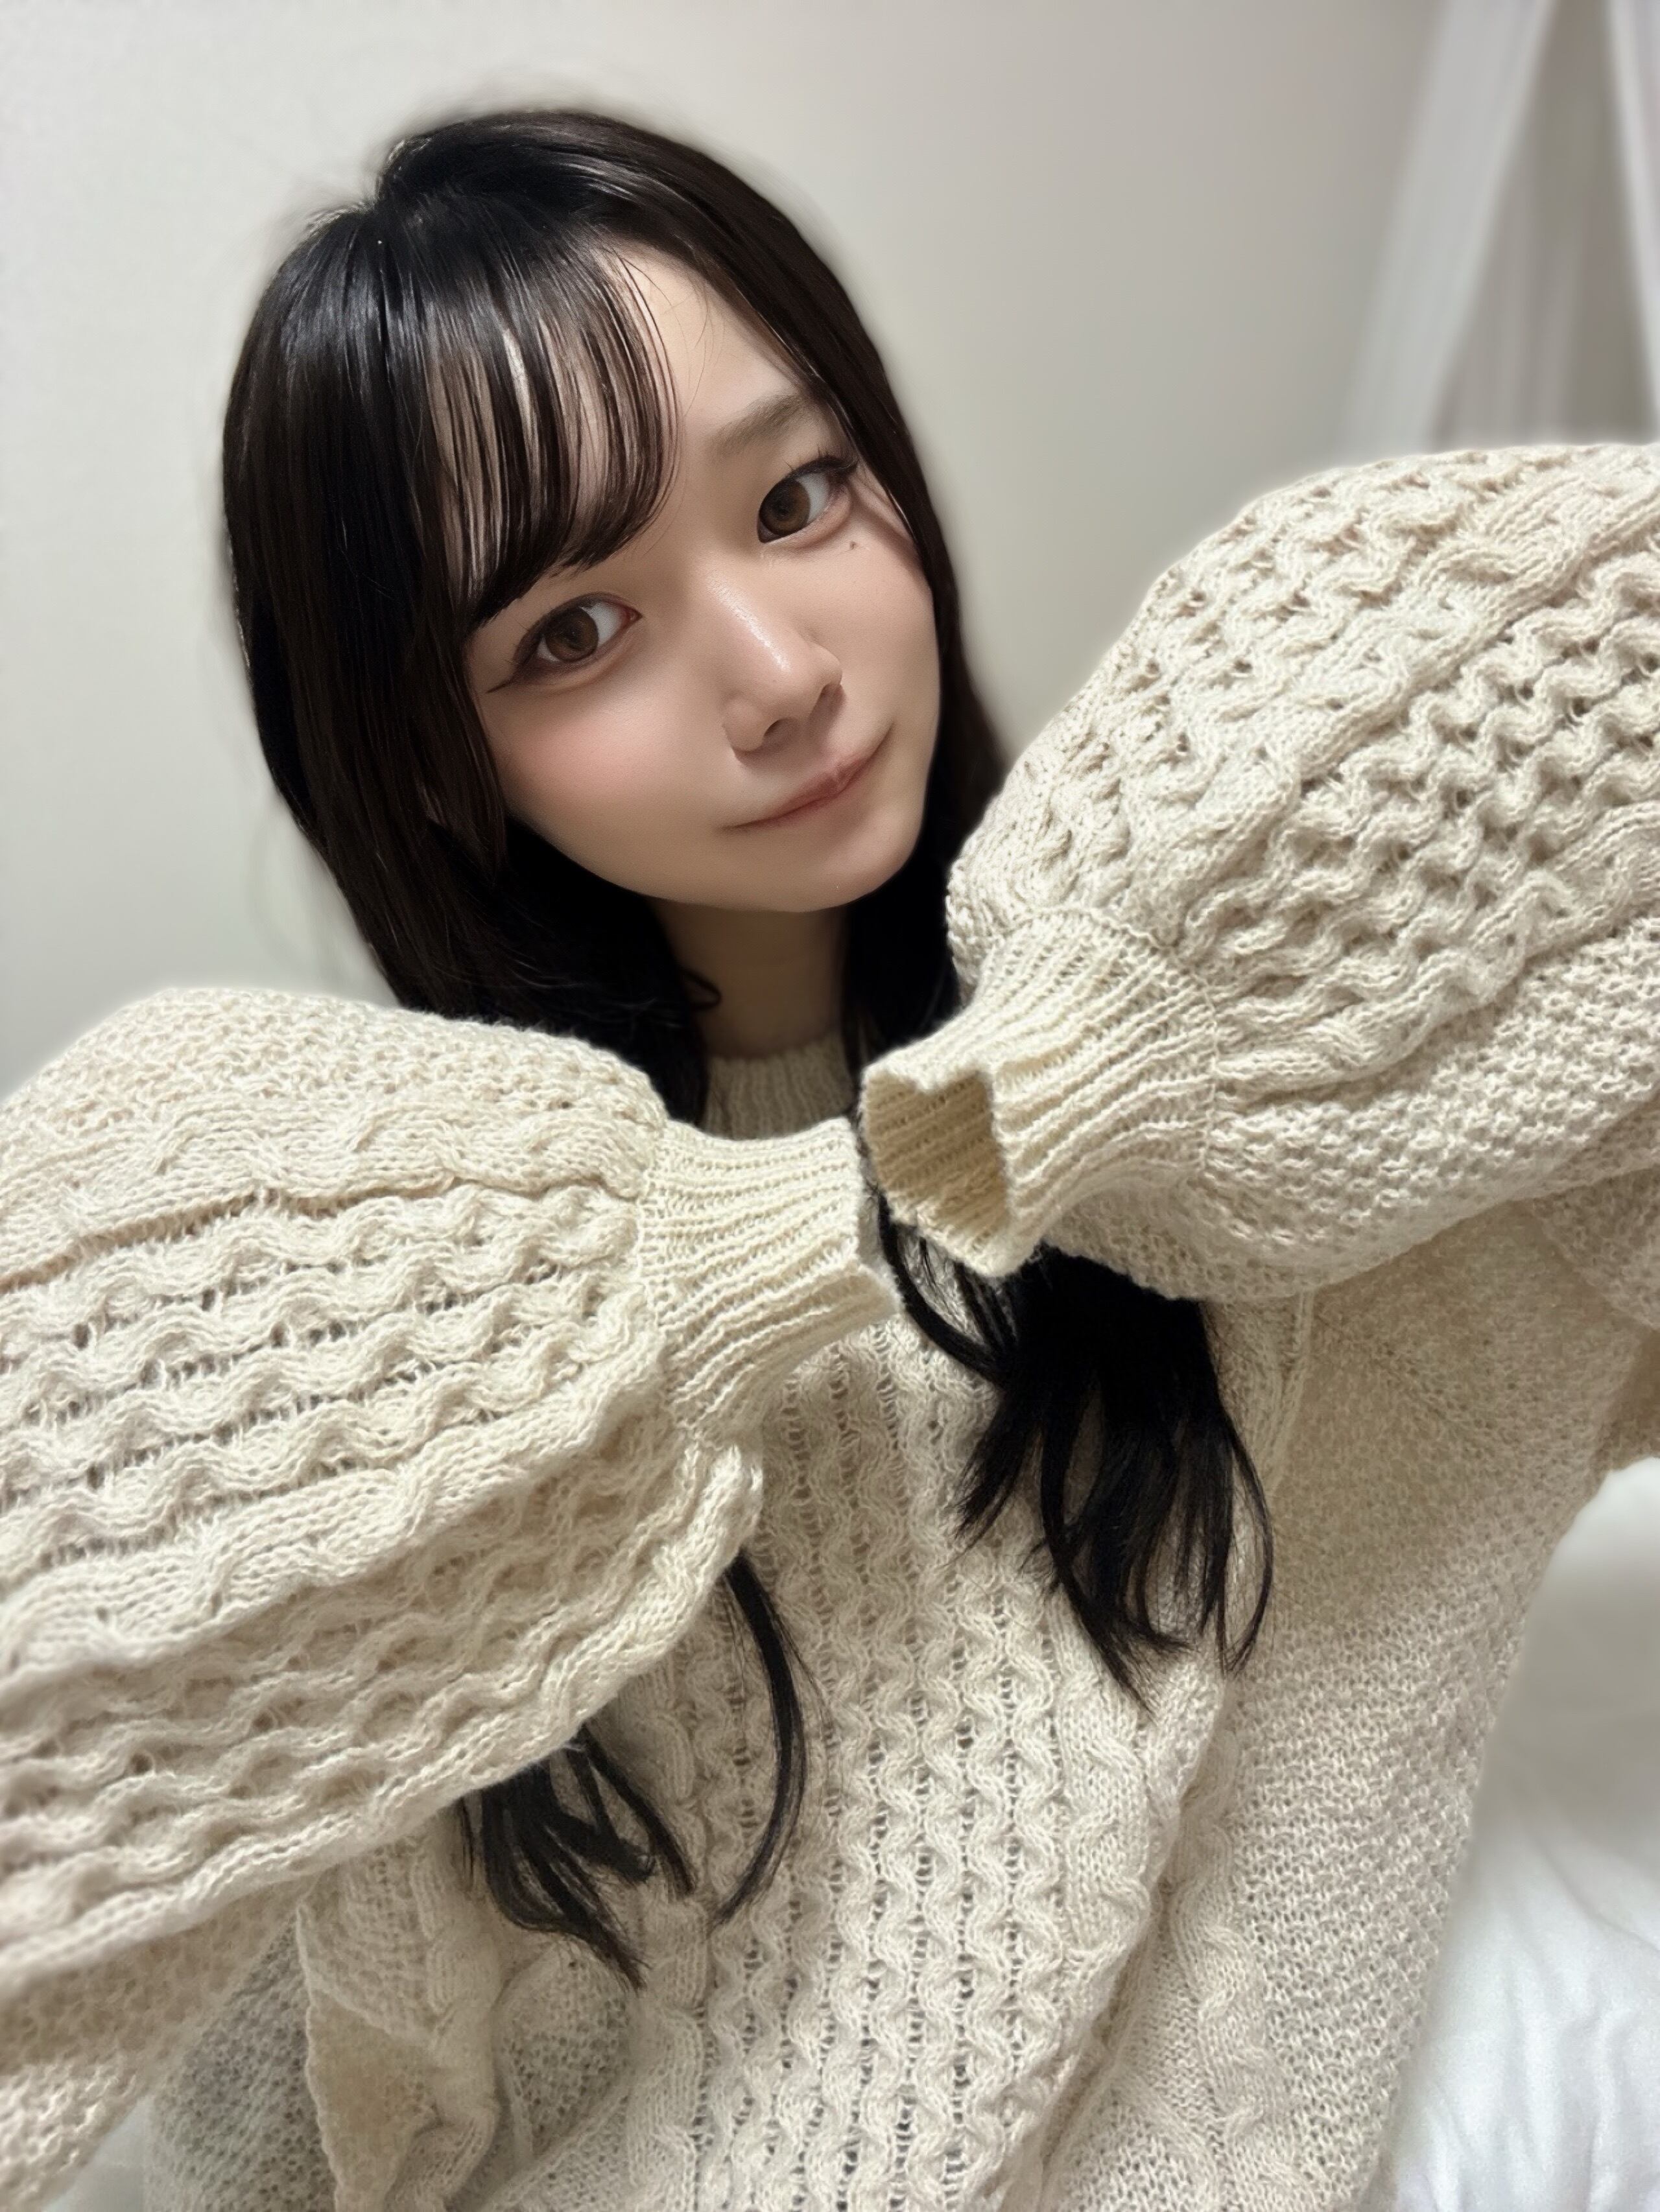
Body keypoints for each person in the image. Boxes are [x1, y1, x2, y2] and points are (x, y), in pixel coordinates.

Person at [1, 105, 1656, 2212]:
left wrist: (1101, 1030)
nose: (783, 677)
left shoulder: (1263, 1110)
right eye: (573, 630)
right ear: (428, 759)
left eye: (800, 498)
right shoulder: (441, 1334)